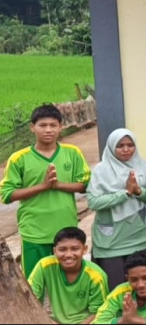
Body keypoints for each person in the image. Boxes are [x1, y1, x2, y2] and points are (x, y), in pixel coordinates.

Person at [0, 104, 90, 278]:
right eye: (42, 125)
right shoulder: (19, 158)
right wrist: (43, 186)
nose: (48, 130)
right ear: (32, 127)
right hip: (34, 232)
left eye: (53, 125)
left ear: (61, 126)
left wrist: (58, 185)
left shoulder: (72, 153)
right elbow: (7, 195)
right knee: (35, 283)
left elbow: (84, 184)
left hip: (66, 232)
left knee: (67, 281)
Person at [87, 128, 146, 291]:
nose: (126, 149)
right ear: (111, 146)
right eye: (120, 146)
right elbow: (93, 203)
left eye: (130, 145)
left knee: (144, 287)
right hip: (111, 243)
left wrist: (139, 191)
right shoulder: (100, 171)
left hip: (141, 237)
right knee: (115, 288)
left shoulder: (144, 166)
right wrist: (125, 193)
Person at [28, 227, 109, 324]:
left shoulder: (96, 275)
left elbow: (98, 313)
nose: (68, 255)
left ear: (84, 249)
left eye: (75, 249)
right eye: (62, 249)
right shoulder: (44, 266)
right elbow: (29, 297)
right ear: (55, 251)